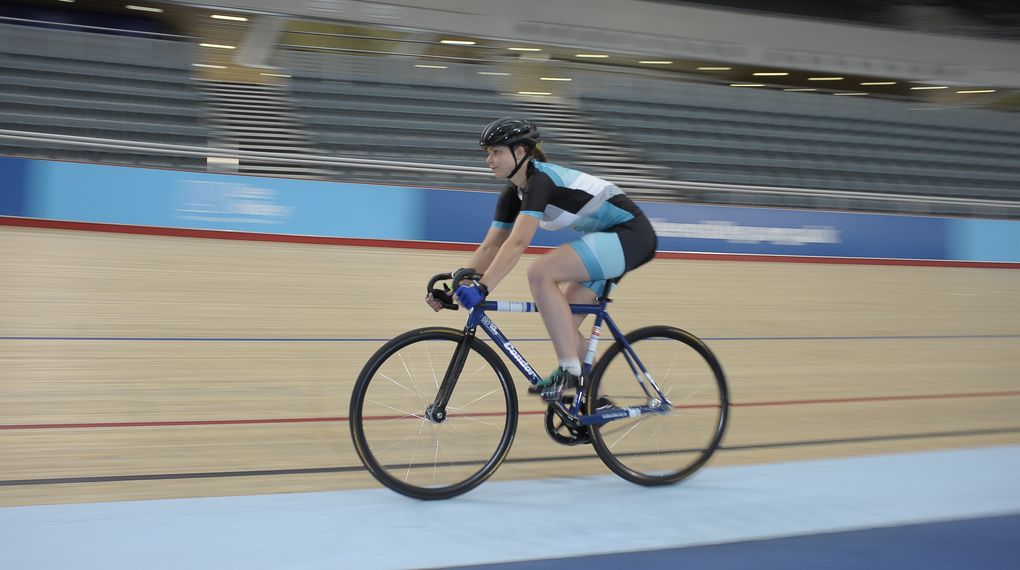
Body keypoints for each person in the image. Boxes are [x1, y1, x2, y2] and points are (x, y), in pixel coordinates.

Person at [429, 117, 657, 403]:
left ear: (520, 152)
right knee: (564, 323)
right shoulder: (513, 193)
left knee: (540, 272)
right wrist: (456, 285)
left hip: (631, 234)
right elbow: (490, 246)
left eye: (496, 151)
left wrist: (483, 287)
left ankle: (570, 372)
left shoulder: (541, 181)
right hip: (609, 239)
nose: (489, 159)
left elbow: (518, 243)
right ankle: (596, 403)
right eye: (487, 152)